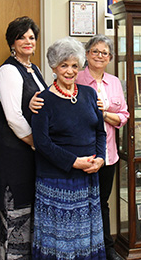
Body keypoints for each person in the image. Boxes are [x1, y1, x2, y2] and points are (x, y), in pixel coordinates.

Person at [31, 37, 106, 259]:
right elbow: (42, 143)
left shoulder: (90, 94)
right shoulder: (42, 100)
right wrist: (74, 162)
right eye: (64, 65)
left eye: (74, 65)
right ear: (54, 67)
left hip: (88, 175)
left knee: (85, 235)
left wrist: (100, 158)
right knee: (59, 239)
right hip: (56, 179)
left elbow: (100, 132)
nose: (70, 71)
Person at [0, 16, 47, 259]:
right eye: (21, 37)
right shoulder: (8, 71)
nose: (27, 41)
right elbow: (14, 116)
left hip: (30, 151)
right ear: (12, 42)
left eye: (31, 37)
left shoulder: (33, 69)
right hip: (14, 149)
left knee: (30, 208)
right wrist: (38, 144)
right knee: (16, 210)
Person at [76, 34, 129, 260]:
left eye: (104, 53)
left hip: (109, 154)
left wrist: (104, 114)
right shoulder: (75, 77)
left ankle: (106, 249)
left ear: (110, 58)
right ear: (86, 54)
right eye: (95, 51)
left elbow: (124, 116)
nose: (99, 56)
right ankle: (81, 249)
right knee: (79, 202)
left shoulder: (115, 82)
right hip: (82, 153)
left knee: (102, 203)